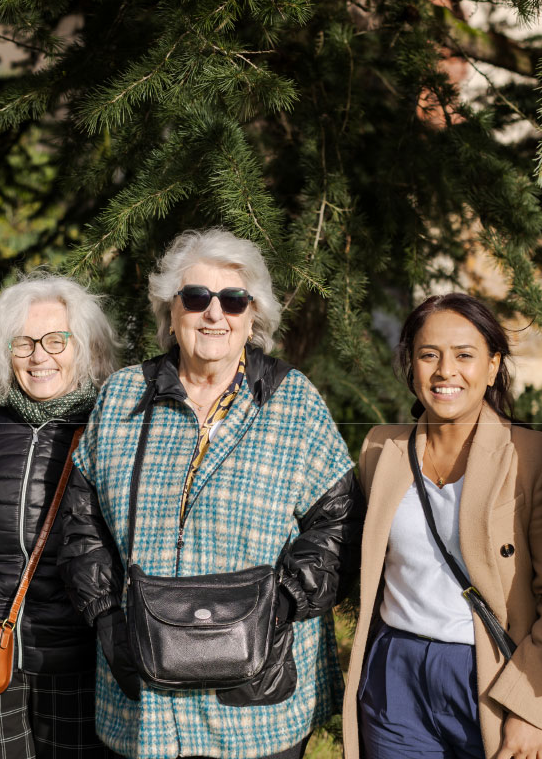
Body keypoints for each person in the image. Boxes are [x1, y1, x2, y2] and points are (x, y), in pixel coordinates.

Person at [58, 229, 360, 759]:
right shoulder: (124, 395)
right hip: (146, 694)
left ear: (253, 316)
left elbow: (336, 521)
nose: (214, 314)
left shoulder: (293, 402)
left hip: (255, 696)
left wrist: (281, 607)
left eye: (233, 300)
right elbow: (82, 521)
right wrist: (106, 616)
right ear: (171, 312)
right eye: (196, 298)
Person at [339, 294, 542, 759]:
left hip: (491, 673)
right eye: (428, 355)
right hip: (395, 674)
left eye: (464, 356)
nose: (445, 371)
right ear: (411, 366)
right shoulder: (379, 450)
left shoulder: (530, 457)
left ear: (492, 367)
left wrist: (531, 705)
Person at [0, 273, 121, 758]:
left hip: (80, 659)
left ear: (85, 348)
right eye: (24, 342)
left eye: (55, 340)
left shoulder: (111, 432)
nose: (40, 356)